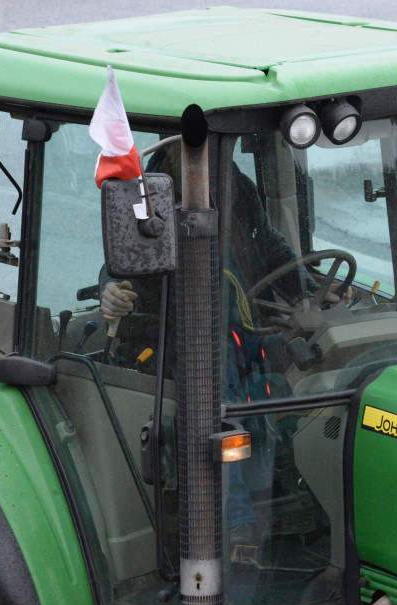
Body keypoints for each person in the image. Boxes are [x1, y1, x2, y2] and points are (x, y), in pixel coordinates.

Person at [100, 139, 349, 563]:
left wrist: (312, 292)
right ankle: (237, 524)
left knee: (302, 369)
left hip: (243, 328)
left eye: (223, 144)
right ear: (179, 147)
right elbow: (121, 261)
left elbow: (270, 247)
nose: (215, 156)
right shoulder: (146, 192)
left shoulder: (238, 187)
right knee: (220, 384)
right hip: (176, 340)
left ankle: (307, 501)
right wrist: (112, 291)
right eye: (205, 144)